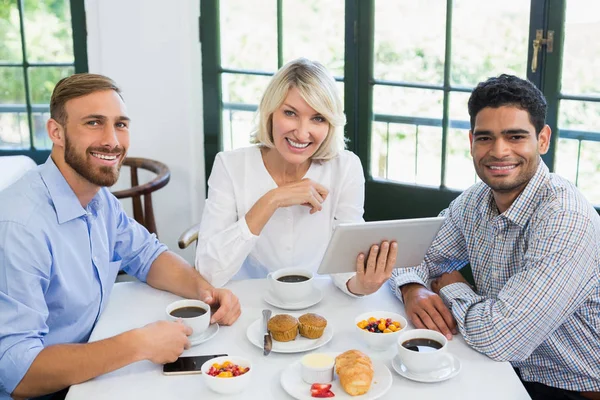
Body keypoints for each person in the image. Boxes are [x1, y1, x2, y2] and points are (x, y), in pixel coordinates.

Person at [0, 74, 241, 400]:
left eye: (121, 124)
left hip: (95, 363)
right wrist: (137, 344)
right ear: (56, 132)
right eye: (94, 123)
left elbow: (147, 256)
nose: (112, 140)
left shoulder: (97, 197)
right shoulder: (20, 227)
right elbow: (18, 373)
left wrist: (207, 293)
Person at [391, 74, 600, 400]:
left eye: (515, 136)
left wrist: (451, 286)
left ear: (542, 140)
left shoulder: (565, 218)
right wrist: (412, 287)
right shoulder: (476, 200)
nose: (499, 151)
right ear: (472, 140)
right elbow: (414, 254)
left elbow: (502, 338)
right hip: (504, 368)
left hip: (571, 388)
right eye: (486, 138)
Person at [195, 58, 397, 297]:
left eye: (318, 118)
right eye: (290, 113)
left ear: (331, 124)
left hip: (320, 301)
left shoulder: (346, 167)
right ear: (270, 113)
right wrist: (272, 200)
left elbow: (346, 265)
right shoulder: (230, 166)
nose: (302, 133)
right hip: (248, 304)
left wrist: (362, 285)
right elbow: (209, 272)